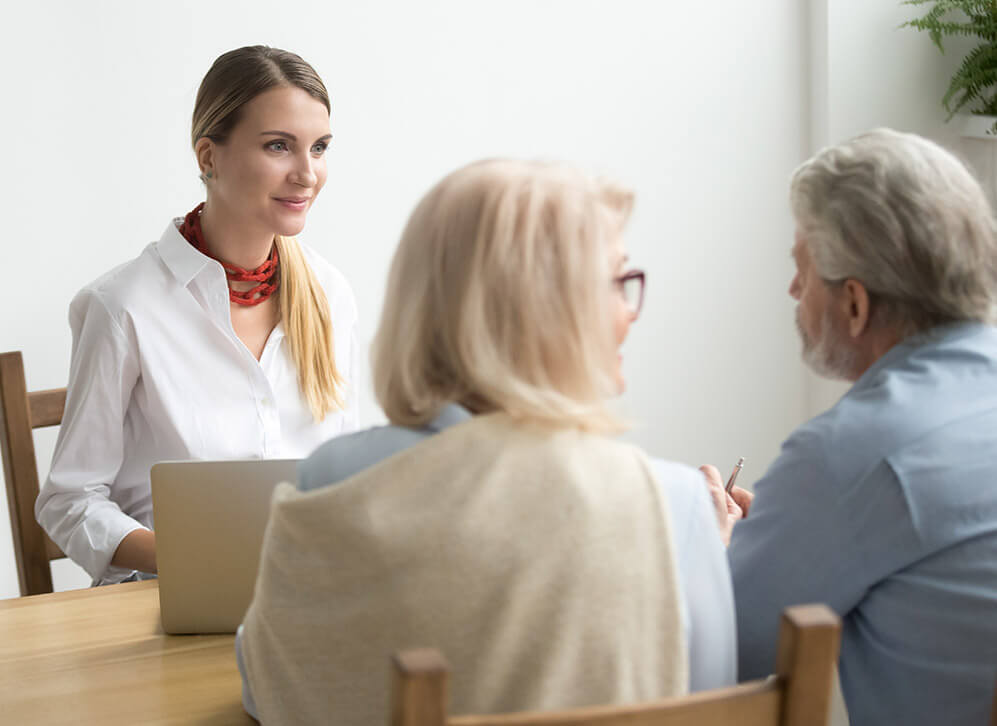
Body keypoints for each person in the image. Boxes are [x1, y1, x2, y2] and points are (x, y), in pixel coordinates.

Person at [235, 159, 736, 724]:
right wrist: (702, 551)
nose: (629, 311)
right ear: (550, 311)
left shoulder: (332, 478)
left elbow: (268, 685)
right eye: (617, 282)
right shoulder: (672, 506)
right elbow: (712, 703)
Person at [35, 46, 360, 585]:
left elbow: (346, 473)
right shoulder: (123, 306)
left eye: (319, 147)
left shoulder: (330, 293)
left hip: (303, 595)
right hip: (165, 600)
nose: (307, 174)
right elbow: (69, 501)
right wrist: (195, 558)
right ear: (208, 156)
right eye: (279, 146)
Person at [710, 128, 997, 726]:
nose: (793, 289)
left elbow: (719, 651)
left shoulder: (848, 456)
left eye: (802, 269)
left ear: (856, 305)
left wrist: (712, 551)